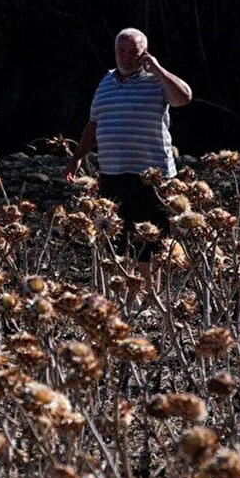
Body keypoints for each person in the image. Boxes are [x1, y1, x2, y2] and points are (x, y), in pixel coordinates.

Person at [64, 28, 193, 290]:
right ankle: (129, 294)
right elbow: (93, 124)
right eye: (121, 51)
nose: (125, 57)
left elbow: (184, 97)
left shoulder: (156, 81)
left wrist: (156, 68)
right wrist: (78, 157)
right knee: (118, 237)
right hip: (112, 173)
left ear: (143, 53)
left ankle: (153, 295)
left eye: (132, 52)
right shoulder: (105, 83)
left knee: (151, 239)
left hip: (151, 176)